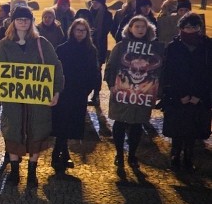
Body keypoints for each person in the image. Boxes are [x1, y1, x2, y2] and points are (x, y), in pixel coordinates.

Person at [0, 6, 64, 186]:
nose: (23, 22)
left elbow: (55, 67)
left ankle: (32, 171)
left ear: (31, 21)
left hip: (37, 100)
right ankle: (15, 171)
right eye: (19, 19)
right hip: (13, 101)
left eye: (26, 19)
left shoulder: (42, 43)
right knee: (12, 131)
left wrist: (56, 91)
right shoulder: (5, 45)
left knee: (37, 130)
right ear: (13, 22)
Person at [103, 15, 164, 171]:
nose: (140, 29)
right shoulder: (120, 47)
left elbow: (160, 72)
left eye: (143, 27)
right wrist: (111, 85)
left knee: (137, 125)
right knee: (120, 123)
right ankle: (119, 154)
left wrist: (157, 91)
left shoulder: (155, 49)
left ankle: (132, 155)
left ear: (148, 29)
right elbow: (110, 67)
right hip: (121, 92)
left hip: (143, 94)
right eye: (136, 26)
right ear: (130, 28)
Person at [161, 13, 210, 171]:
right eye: (187, 27)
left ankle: (189, 156)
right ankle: (175, 154)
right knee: (177, 127)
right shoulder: (173, 47)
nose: (190, 30)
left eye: (194, 27)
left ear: (200, 28)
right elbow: (167, 73)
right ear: (181, 28)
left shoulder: (207, 47)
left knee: (193, 128)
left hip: (199, 95)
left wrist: (201, 97)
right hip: (178, 95)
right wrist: (177, 96)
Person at [51, 19, 100, 174]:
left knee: (71, 124)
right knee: (61, 123)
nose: (80, 33)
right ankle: (59, 153)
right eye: (78, 30)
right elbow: (56, 70)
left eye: (83, 30)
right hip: (64, 92)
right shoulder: (62, 49)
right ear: (72, 31)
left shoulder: (91, 50)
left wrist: (90, 89)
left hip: (79, 93)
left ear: (87, 33)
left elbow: (94, 71)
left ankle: (63, 152)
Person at [75, 0, 113, 106]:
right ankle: (85, 93)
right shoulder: (88, 12)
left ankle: (96, 94)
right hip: (88, 45)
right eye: (93, 2)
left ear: (102, 4)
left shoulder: (107, 15)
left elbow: (107, 29)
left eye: (96, 2)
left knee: (97, 70)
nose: (94, 4)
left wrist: (95, 32)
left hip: (100, 46)